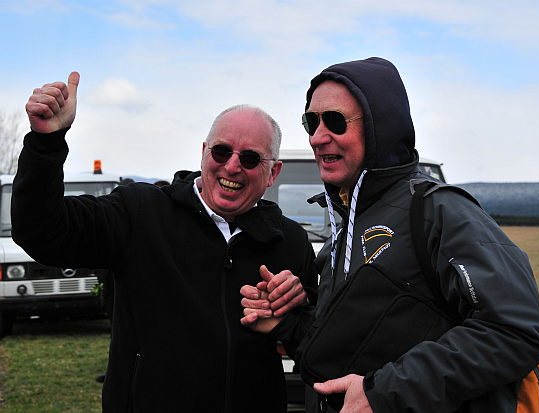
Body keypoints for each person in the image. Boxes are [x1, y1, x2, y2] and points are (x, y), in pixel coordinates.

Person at [241, 57, 539, 412]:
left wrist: (382, 393)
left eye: (336, 121)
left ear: (379, 126)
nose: (318, 137)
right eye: (311, 121)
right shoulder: (343, 229)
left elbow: (515, 332)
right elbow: (347, 347)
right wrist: (286, 324)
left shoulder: (439, 211)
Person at [11, 72, 318, 413]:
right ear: (203, 153)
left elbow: (316, 344)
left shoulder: (290, 242)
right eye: (221, 151)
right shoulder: (141, 213)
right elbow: (41, 231)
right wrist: (46, 143)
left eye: (249, 158)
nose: (232, 167)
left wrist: (296, 307)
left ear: (273, 173)